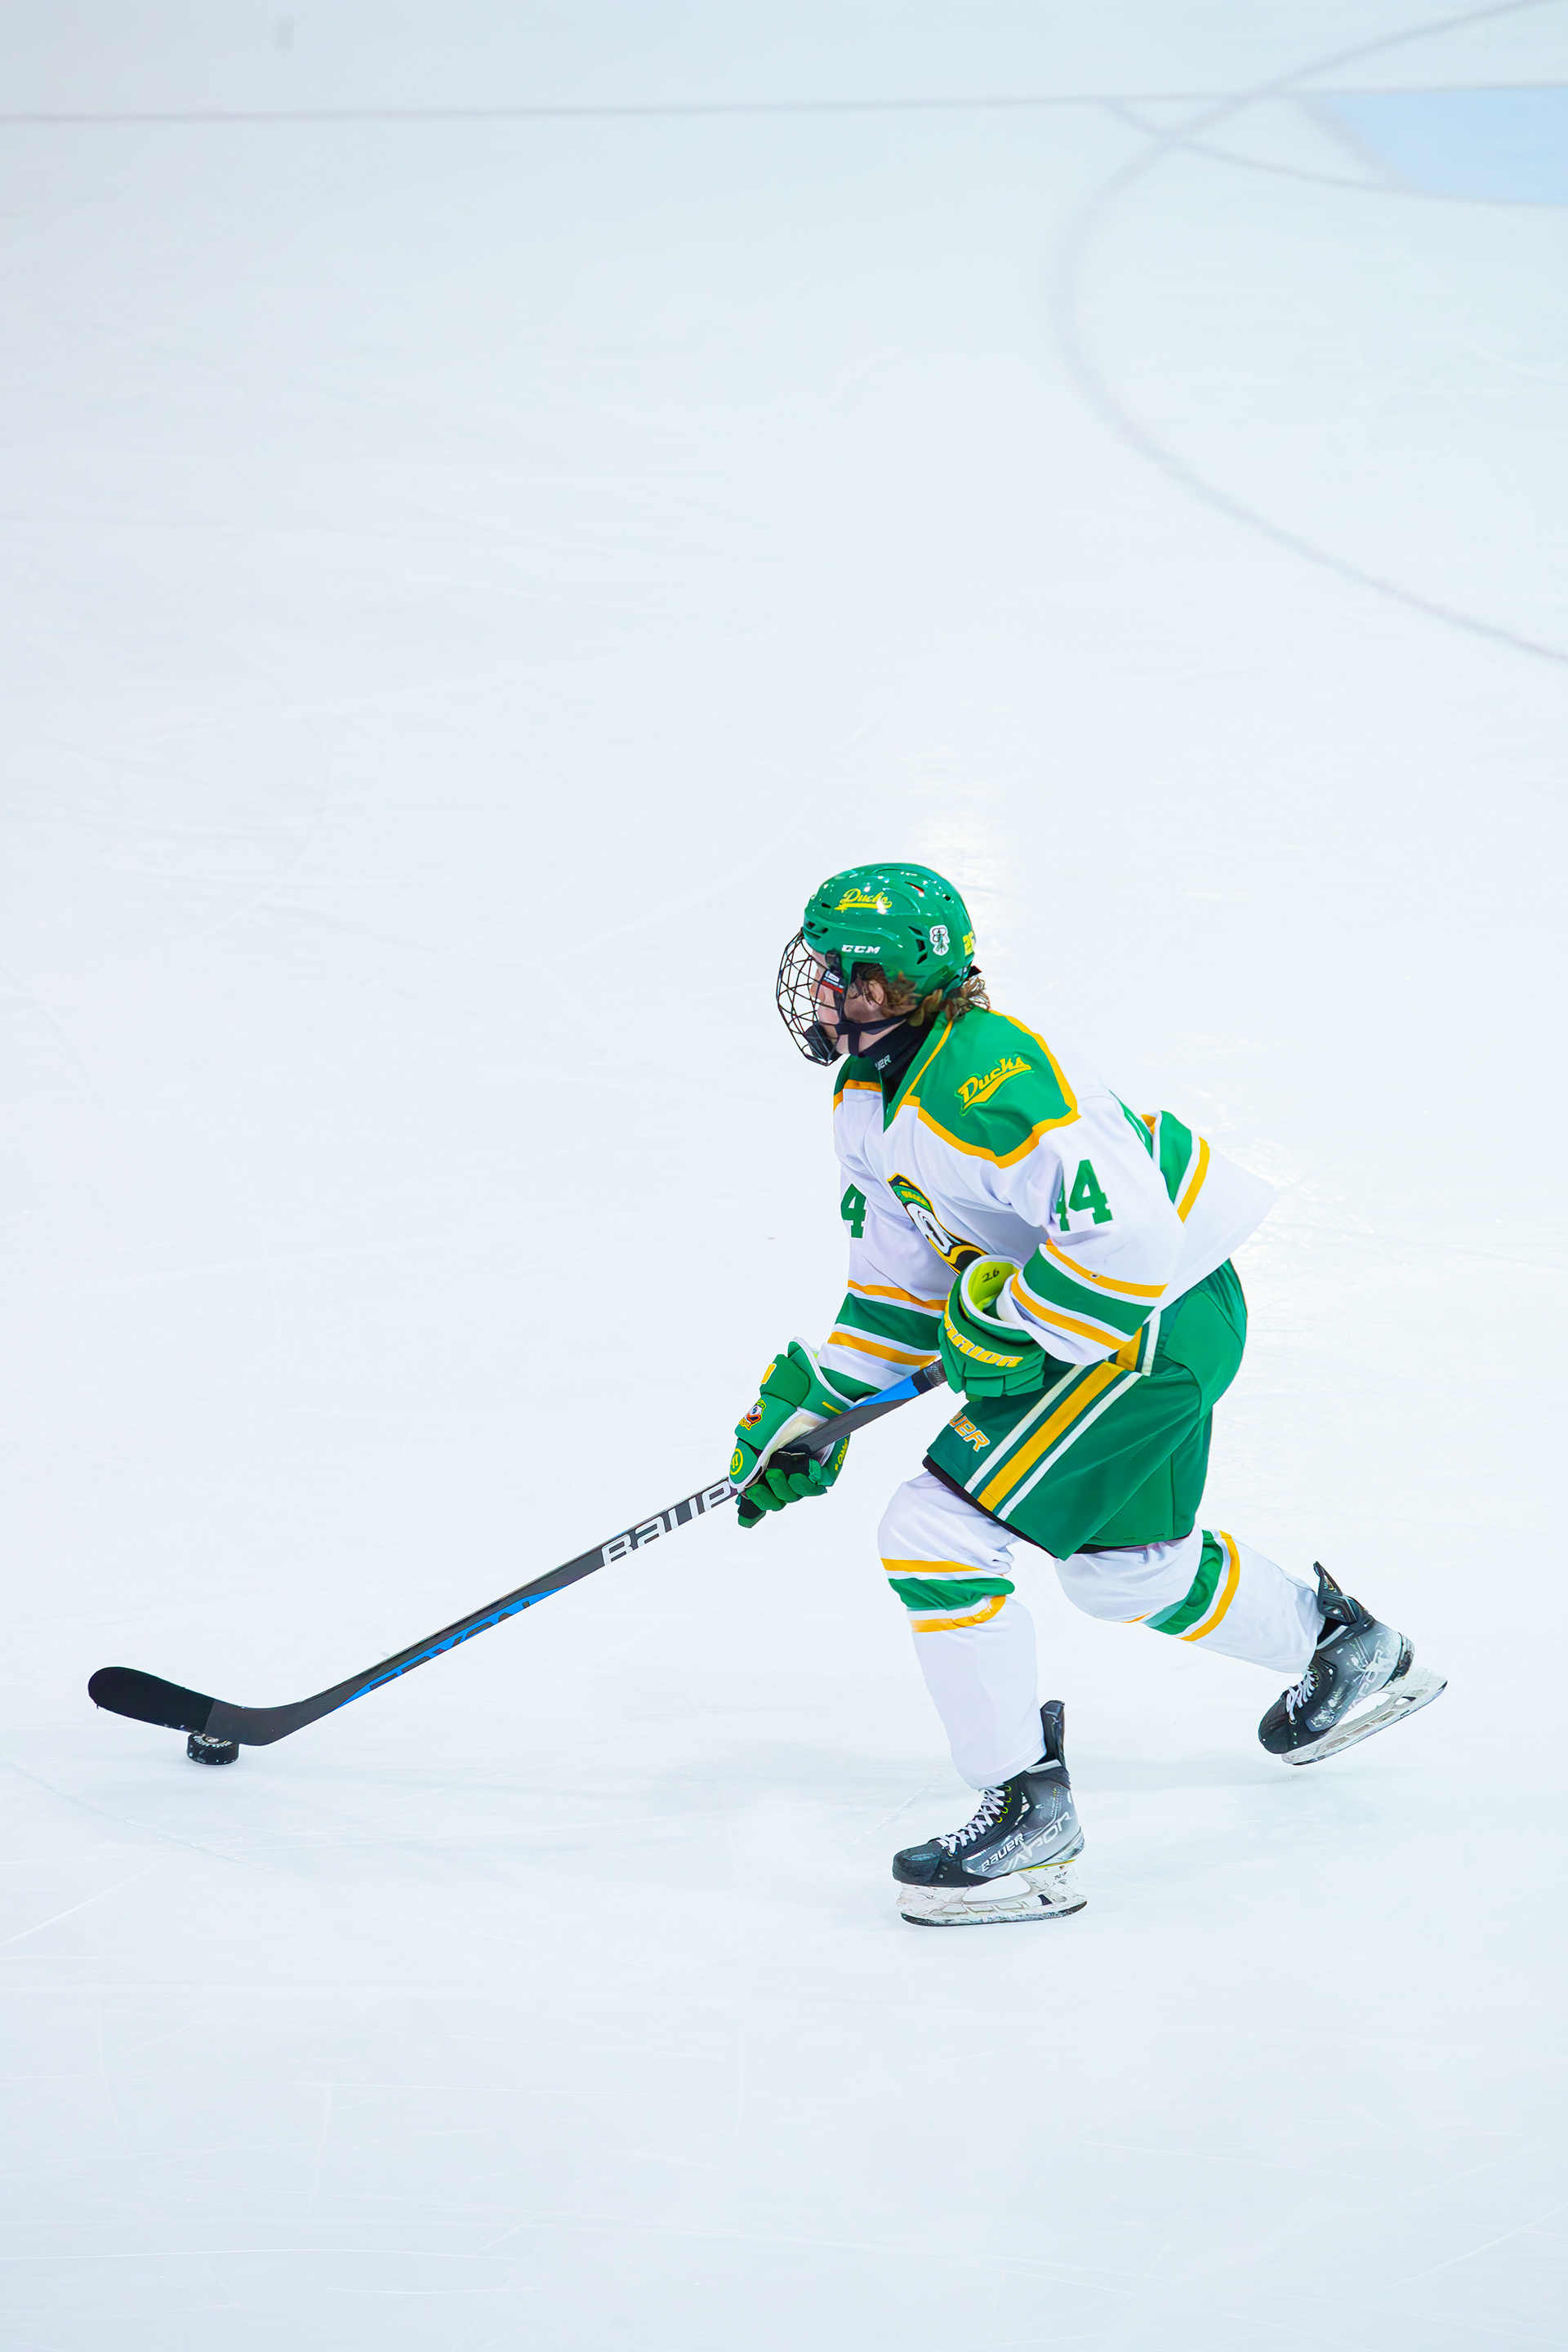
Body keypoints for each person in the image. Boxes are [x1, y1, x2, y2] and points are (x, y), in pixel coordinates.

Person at [730, 864, 1444, 1927]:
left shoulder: (986, 1079)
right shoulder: (867, 1099)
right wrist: (818, 1410)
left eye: (840, 972)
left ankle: (1027, 1822)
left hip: (1152, 1320)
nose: (819, 989)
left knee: (933, 1533)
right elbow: (898, 1290)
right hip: (1128, 1320)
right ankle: (1348, 1654)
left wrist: (1011, 1323)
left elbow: (1134, 1244)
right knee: (1124, 1574)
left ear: (893, 983)